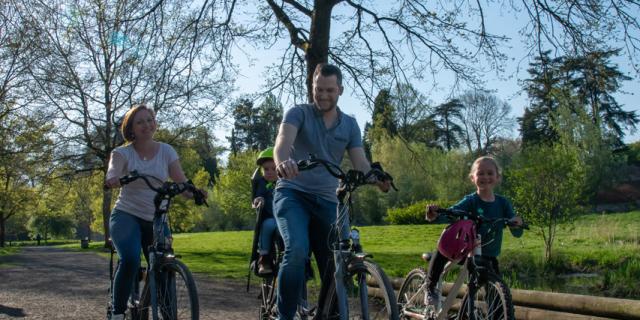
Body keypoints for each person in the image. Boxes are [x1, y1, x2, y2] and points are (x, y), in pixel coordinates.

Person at [274, 63, 390, 320]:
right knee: (296, 251)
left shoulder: (349, 125)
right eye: (318, 90)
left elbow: (361, 164)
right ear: (312, 88)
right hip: (293, 193)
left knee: (336, 260)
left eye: (329, 90)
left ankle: (328, 314)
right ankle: (284, 315)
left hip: (329, 200)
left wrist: (377, 179)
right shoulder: (298, 113)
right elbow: (283, 143)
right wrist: (283, 162)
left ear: (340, 90)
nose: (323, 95)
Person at [104, 104, 204, 320]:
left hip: (157, 217)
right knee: (130, 259)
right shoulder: (122, 152)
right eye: (139, 122)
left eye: (149, 120)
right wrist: (113, 178)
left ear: (155, 123)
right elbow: (113, 169)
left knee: (164, 263)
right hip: (126, 215)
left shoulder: (167, 151)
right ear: (130, 128)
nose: (146, 125)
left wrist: (194, 193)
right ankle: (117, 312)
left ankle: (168, 313)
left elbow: (181, 181)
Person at [424, 156, 524, 308]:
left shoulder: (503, 203)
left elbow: (516, 230)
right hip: (467, 251)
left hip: (489, 255)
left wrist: (517, 223)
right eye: (481, 173)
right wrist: (435, 215)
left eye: (490, 173)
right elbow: (452, 213)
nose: (485, 177)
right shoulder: (471, 201)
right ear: (473, 178)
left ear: (497, 177)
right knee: (441, 250)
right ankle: (430, 288)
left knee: (498, 296)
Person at [252, 147, 278, 275]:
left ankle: (303, 261)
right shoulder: (262, 183)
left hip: (287, 217)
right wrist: (259, 200)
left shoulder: (286, 182)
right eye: (266, 169)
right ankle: (264, 258)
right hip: (271, 217)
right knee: (268, 225)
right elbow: (259, 195)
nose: (270, 172)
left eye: (274, 169)